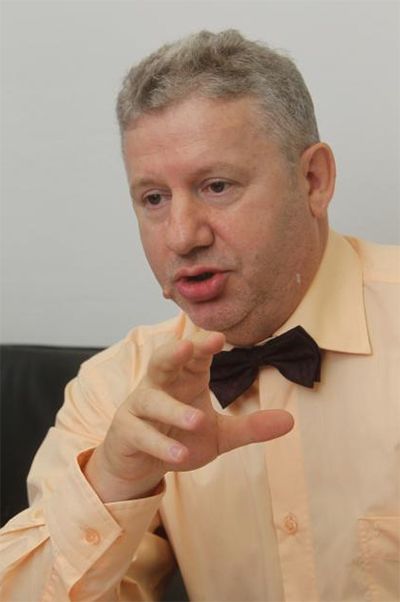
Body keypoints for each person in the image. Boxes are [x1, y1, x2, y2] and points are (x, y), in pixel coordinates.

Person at [1, 29, 399, 602]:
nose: (182, 237)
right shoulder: (116, 390)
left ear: (313, 181)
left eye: (216, 186)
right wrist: (114, 483)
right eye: (154, 199)